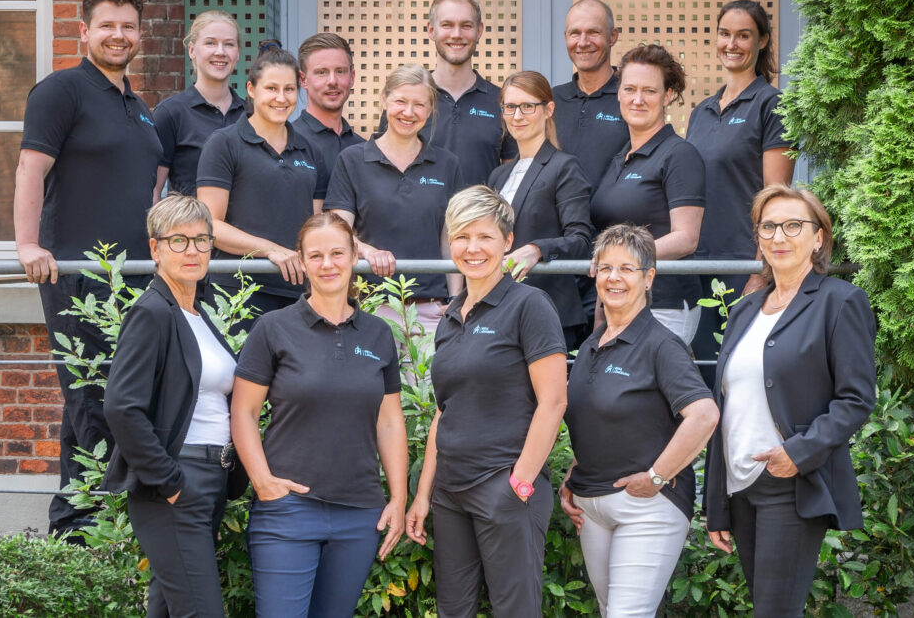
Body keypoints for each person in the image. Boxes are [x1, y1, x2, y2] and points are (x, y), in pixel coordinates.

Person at [14, 0, 161, 537]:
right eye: (107, 26)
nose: (118, 35)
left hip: (131, 278)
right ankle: (99, 525)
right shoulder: (61, 92)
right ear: (83, 31)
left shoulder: (138, 109)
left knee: (97, 398)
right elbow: (31, 170)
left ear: (139, 35)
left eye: (128, 27)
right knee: (95, 397)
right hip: (74, 273)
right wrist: (29, 246)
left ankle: (74, 523)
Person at [704, 185, 876, 617]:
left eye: (793, 226)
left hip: (791, 482)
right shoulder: (745, 310)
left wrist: (796, 454)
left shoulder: (840, 302)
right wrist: (716, 505)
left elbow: (855, 399)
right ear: (758, 237)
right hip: (740, 484)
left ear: (818, 238)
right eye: (769, 226)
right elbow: (724, 408)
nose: (779, 236)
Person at [230, 212, 408, 618]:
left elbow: (390, 421)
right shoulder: (272, 328)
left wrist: (398, 498)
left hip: (359, 513)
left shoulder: (379, 333)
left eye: (336, 253)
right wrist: (262, 482)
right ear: (302, 261)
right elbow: (243, 411)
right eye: (316, 255)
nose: (327, 264)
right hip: (287, 509)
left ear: (353, 257)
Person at [405, 186, 568, 618]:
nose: (472, 248)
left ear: (508, 241)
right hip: (450, 493)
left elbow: (553, 402)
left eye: (485, 237)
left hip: (504, 486)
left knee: (514, 610)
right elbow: (445, 410)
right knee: (452, 611)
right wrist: (424, 494)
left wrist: (521, 483)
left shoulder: (529, 306)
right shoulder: (452, 316)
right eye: (462, 236)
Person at [559, 224, 719, 617]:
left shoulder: (661, 345)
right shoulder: (591, 346)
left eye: (628, 269)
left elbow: (704, 414)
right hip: (591, 505)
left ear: (649, 278)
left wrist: (657, 477)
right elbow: (597, 421)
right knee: (611, 610)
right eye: (607, 267)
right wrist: (571, 474)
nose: (614, 278)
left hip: (646, 506)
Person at [102, 194, 240, 618]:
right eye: (178, 241)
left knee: (169, 608)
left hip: (210, 479)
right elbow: (122, 407)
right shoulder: (152, 312)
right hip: (176, 483)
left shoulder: (194, 314)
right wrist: (172, 482)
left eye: (201, 240)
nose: (193, 251)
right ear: (155, 248)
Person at [686, 0, 795, 385]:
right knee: (705, 379)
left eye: (744, 35)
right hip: (697, 266)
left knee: (740, 379)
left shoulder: (772, 105)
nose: (732, 43)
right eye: (725, 33)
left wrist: (761, 269)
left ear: (762, 41)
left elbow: (776, 197)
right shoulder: (701, 111)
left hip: (742, 266)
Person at [325, 64, 463, 338]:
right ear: (384, 99)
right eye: (400, 101)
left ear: (430, 109)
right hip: (371, 306)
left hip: (431, 309)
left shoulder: (447, 164)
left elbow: (450, 239)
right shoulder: (352, 160)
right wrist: (367, 251)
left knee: (427, 383)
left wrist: (455, 300)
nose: (409, 112)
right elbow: (335, 232)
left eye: (419, 105)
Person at [197, 45, 327, 321]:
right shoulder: (224, 144)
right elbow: (209, 226)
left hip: (298, 295)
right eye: (271, 88)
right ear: (252, 89)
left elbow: (316, 224)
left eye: (289, 90)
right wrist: (270, 250)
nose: (281, 98)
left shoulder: (310, 150)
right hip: (237, 293)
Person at [590, 44, 706, 344]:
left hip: (663, 303)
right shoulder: (620, 157)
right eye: (629, 89)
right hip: (619, 299)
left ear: (667, 96)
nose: (637, 99)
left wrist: (620, 260)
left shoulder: (679, 155)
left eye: (649, 91)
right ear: (618, 94)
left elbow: (686, 238)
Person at [487, 70, 592, 350]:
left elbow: (581, 240)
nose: (517, 116)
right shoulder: (499, 175)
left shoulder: (564, 167)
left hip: (549, 312)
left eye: (527, 106)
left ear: (549, 110)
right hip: (502, 309)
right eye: (510, 107)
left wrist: (537, 249)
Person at [379, 0, 517, 186]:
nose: (456, 34)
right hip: (419, 217)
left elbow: (511, 182)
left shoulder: (503, 103)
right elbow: (385, 176)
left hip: (480, 217)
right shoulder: (405, 105)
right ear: (431, 30)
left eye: (466, 25)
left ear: (479, 31)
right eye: (447, 25)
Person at [153, 10, 246, 197]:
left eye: (229, 44)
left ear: (237, 54)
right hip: (191, 225)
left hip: (244, 227)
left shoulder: (250, 114)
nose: (220, 52)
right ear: (192, 50)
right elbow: (154, 190)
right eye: (210, 43)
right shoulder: (170, 113)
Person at [552, 0, 631, 191]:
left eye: (593, 32)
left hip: (616, 220)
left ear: (612, 37)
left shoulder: (631, 99)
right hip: (558, 220)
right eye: (575, 33)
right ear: (565, 37)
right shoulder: (550, 101)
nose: (583, 42)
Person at [295, 32, 365, 178]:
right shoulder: (289, 142)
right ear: (303, 80)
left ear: (352, 77)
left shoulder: (365, 149)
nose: (332, 81)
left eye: (340, 71)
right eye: (322, 72)